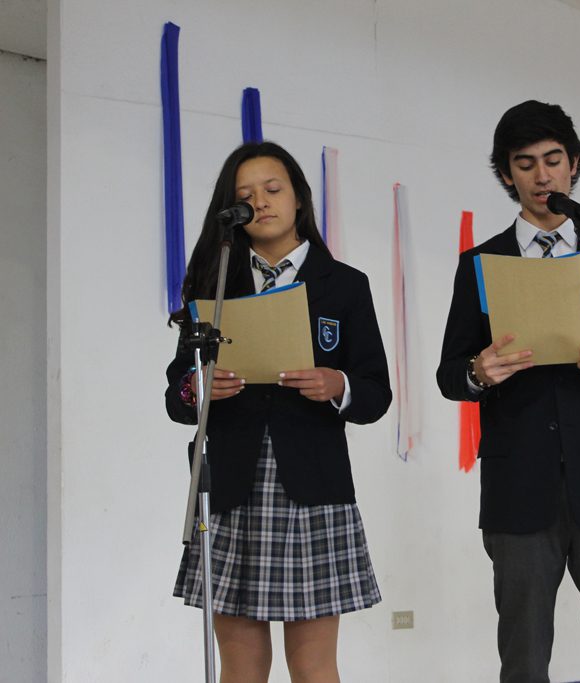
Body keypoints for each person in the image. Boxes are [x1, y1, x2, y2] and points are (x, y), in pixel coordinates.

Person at [436, 100, 580, 683]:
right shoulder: (481, 262)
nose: (542, 176)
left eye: (553, 160)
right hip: (519, 487)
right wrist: (479, 371)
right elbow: (449, 373)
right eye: (525, 164)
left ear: (574, 165)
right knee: (523, 659)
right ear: (506, 174)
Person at [165, 141, 391, 683]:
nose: (261, 202)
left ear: (299, 198)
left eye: (273, 189)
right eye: (246, 196)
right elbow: (176, 395)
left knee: (313, 666)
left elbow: (376, 393)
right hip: (231, 484)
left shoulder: (344, 285)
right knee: (241, 666)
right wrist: (199, 386)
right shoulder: (214, 282)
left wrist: (338, 384)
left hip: (315, 484)